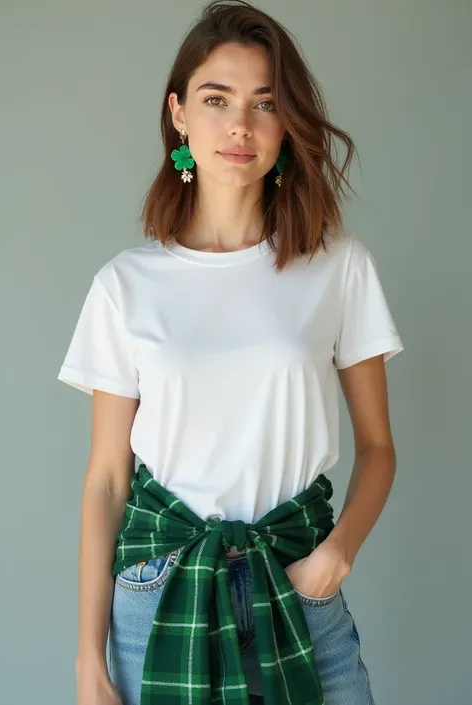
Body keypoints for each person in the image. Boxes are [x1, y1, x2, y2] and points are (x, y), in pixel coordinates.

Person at [58, 1, 404, 704]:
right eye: (217, 99)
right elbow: (105, 480)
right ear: (179, 114)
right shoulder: (126, 284)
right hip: (158, 595)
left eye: (265, 103)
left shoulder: (338, 266)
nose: (240, 125)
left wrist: (338, 550)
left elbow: (378, 445)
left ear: (286, 125)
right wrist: (86, 658)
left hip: (296, 585)